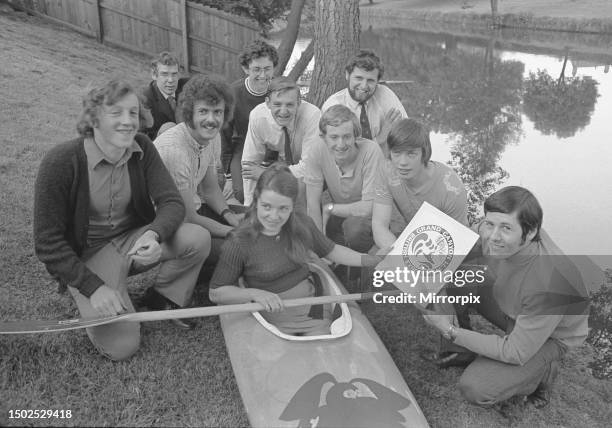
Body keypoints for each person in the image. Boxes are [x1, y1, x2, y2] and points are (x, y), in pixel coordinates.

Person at [33, 80, 211, 361]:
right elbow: (47, 244)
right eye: (116, 113)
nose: (128, 122)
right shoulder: (61, 162)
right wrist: (94, 288)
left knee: (197, 237)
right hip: (86, 259)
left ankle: (161, 297)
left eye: (133, 113)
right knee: (123, 347)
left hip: (131, 243)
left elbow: (171, 202)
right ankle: (88, 289)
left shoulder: (142, 148)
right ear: (93, 119)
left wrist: (153, 234)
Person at [421, 186, 589, 408]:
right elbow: (462, 245)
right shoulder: (500, 230)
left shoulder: (551, 284)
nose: (492, 237)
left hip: (551, 333)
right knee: (455, 274)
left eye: (506, 228)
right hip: (514, 303)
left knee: (476, 387)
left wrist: (449, 330)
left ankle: (540, 374)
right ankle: (460, 352)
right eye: (490, 224)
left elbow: (514, 352)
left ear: (530, 233)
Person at [209, 164, 382, 336]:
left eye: (283, 208)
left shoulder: (301, 223)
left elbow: (331, 250)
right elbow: (216, 293)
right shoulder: (239, 241)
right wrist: (255, 293)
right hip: (271, 314)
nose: (274, 216)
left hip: (312, 308)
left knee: (327, 350)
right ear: (256, 201)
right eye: (267, 206)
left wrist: (367, 259)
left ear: (292, 206)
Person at [154, 74, 243, 268]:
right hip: (167, 225)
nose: (211, 120)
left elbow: (210, 190)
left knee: (255, 218)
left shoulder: (212, 137)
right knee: (239, 248)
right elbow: (187, 217)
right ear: (189, 113)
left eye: (217, 112)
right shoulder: (174, 151)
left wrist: (229, 215)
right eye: (203, 111)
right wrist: (232, 232)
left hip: (194, 210)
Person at [372, 118, 468, 252]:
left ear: (424, 153)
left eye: (411, 154)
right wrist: (396, 255)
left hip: (438, 245)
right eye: (397, 153)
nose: (402, 162)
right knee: (372, 263)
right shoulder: (386, 170)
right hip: (402, 236)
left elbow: (457, 238)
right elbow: (379, 224)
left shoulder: (451, 189)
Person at [304, 104, 385, 253]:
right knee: (301, 206)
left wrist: (330, 209)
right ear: (323, 137)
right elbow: (312, 203)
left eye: (347, 136)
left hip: (369, 217)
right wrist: (320, 245)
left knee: (354, 229)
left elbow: (368, 208)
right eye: (334, 137)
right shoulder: (316, 150)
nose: (340, 144)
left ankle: (362, 261)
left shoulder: (371, 151)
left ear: (356, 136)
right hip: (339, 214)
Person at [241, 77, 321, 207]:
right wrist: (248, 205)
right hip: (284, 164)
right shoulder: (258, 116)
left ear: (299, 102)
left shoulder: (312, 115)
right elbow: (249, 164)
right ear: (267, 103)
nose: (283, 111)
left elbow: (309, 167)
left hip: (316, 168)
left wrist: (267, 174)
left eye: (290, 104)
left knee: (300, 189)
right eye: (277, 104)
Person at [222, 40, 279, 203]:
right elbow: (225, 136)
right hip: (243, 148)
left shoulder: (280, 90)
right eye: (256, 69)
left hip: (274, 150)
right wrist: (228, 176)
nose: (263, 75)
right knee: (242, 193)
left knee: (275, 190)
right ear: (246, 69)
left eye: (267, 69)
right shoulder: (233, 93)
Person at [321, 49, 407, 150]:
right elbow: (344, 152)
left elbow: (407, 133)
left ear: (377, 81)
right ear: (347, 75)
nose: (364, 86)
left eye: (370, 80)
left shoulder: (385, 94)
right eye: (359, 78)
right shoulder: (334, 106)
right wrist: (381, 138)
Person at [141, 51, 189, 139]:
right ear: (154, 75)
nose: (170, 80)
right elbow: (142, 136)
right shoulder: (145, 99)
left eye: (174, 74)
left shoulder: (187, 87)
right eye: (164, 74)